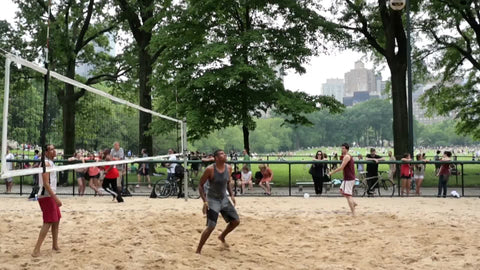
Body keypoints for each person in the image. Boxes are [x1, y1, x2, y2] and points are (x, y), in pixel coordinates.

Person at [196, 149, 239, 254]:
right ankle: (198, 250)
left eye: (224, 153)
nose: (224, 155)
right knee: (211, 226)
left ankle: (222, 236)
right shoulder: (210, 170)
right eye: (221, 154)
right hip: (212, 199)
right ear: (216, 158)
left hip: (223, 198)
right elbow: (200, 185)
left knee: (235, 221)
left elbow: (228, 182)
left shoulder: (228, 168)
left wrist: (232, 195)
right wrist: (205, 201)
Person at [32, 144, 62, 257]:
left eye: (54, 148)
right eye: (51, 149)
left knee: (57, 219)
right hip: (46, 196)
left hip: (51, 195)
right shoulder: (46, 163)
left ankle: (54, 245)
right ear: (46, 152)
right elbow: (45, 183)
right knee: (48, 221)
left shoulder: (51, 162)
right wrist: (56, 198)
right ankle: (36, 250)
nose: (54, 151)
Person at [329, 143, 357, 216]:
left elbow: (341, 167)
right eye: (342, 148)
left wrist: (332, 172)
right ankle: (353, 203)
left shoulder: (347, 157)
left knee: (348, 195)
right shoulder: (346, 156)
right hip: (347, 178)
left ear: (347, 149)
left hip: (349, 178)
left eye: (343, 148)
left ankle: (353, 212)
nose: (342, 149)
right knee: (342, 191)